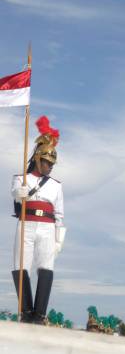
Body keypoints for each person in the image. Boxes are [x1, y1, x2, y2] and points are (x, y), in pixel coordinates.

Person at [10, 116, 65, 325]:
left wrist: (59, 239)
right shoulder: (21, 178)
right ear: (37, 158)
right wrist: (20, 193)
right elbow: (15, 193)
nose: (50, 166)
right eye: (47, 162)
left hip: (48, 227)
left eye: (52, 163)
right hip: (26, 224)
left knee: (46, 266)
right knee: (20, 265)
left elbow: (59, 215)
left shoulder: (56, 185)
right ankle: (26, 311)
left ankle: (40, 314)